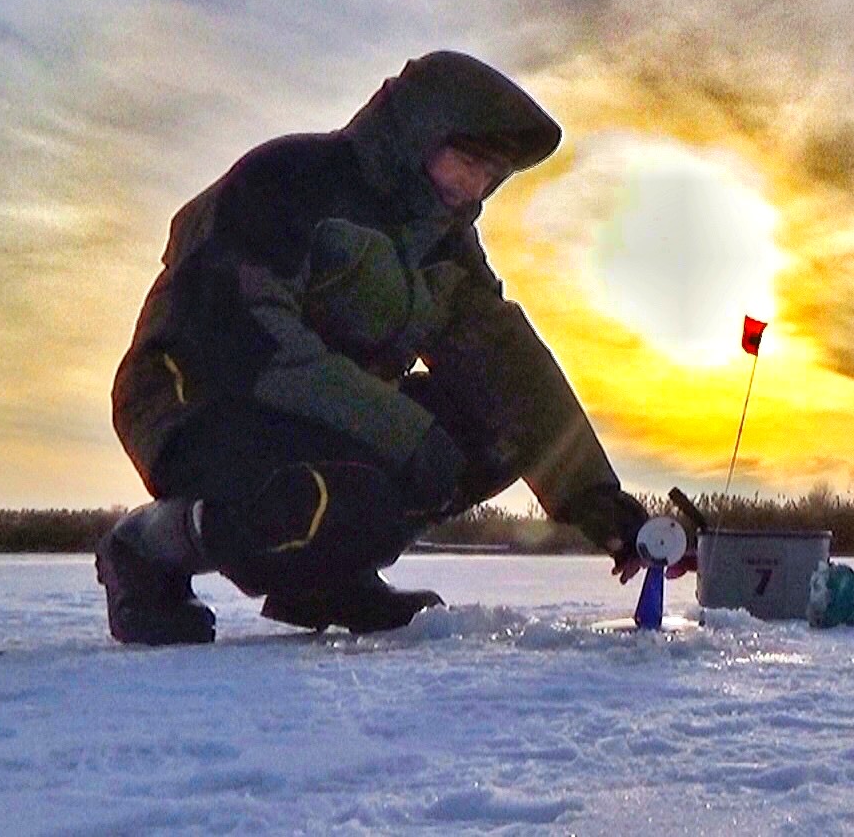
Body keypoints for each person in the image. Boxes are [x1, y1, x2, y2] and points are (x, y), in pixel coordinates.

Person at [98, 51, 674, 644]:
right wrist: (404, 431)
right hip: (195, 397)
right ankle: (147, 549)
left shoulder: (444, 244)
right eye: (468, 161)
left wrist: (600, 502)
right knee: (339, 493)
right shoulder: (288, 178)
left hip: (329, 415)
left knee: (494, 430)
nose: (475, 186)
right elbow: (246, 338)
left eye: (491, 173)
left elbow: (508, 368)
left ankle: (326, 577)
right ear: (422, 129)